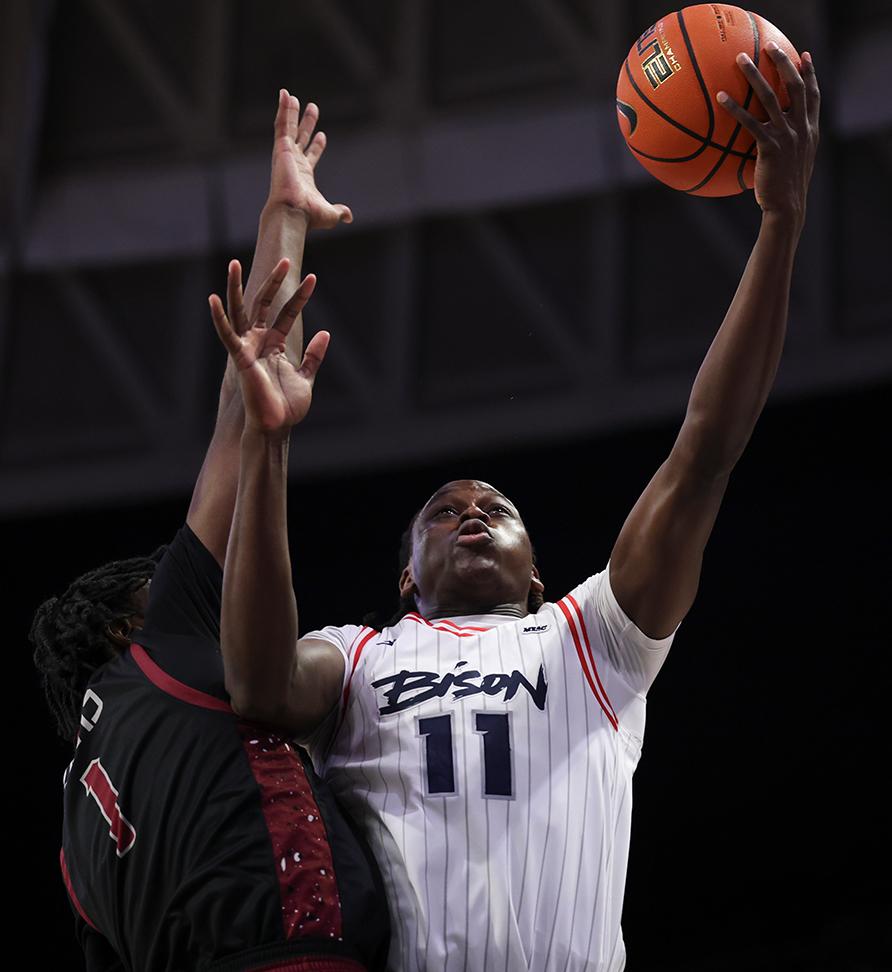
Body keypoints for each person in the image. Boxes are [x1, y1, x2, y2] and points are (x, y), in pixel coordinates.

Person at [214, 45, 820, 972]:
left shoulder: (592, 639)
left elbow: (704, 451)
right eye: (444, 509)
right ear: (407, 575)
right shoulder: (359, 656)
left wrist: (780, 221)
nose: (470, 509)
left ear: (536, 572)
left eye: (492, 504)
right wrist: (268, 443)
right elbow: (256, 689)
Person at [31, 92, 389, 972]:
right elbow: (247, 399)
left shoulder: (78, 838)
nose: (192, 576)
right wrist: (285, 216)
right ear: (125, 624)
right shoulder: (155, 645)